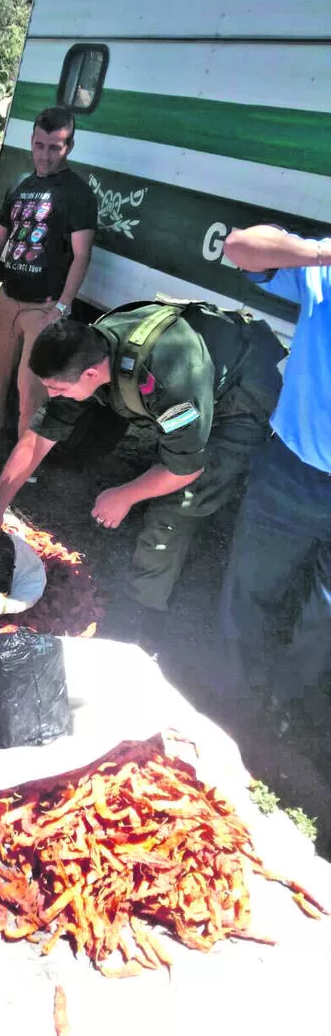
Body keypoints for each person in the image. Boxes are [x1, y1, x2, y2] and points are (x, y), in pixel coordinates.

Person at [0, 299, 285, 619]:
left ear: (91, 375)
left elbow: (186, 468)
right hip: (189, 386)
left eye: (58, 389)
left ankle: (139, 614)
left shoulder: (170, 380)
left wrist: (125, 496)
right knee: (128, 445)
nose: (51, 396)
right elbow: (37, 439)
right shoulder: (87, 352)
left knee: (178, 503)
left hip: (238, 397)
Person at [220, 226, 331, 723]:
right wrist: (318, 252)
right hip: (293, 469)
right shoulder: (321, 272)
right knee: (252, 583)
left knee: (325, 614)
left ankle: (286, 701)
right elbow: (238, 247)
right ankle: (231, 690)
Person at [0, 106, 97, 445]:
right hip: (9, 298)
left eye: (55, 147)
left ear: (68, 147)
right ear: (31, 141)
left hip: (44, 306)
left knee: (31, 388)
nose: (45, 155)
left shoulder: (78, 194)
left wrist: (63, 306)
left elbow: (82, 256)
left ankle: (26, 460)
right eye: (40, 145)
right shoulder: (20, 184)